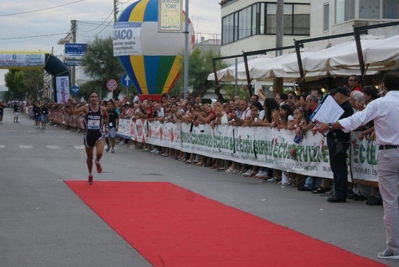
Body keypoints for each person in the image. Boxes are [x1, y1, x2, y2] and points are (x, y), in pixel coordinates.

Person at [311, 70, 399, 260]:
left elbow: (354, 121)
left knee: (391, 202)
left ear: (383, 86)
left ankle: (394, 248)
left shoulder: (380, 103)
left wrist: (329, 124)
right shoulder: (381, 102)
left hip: (389, 153)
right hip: (390, 149)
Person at [68, 92, 109, 185]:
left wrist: (106, 126)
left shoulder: (102, 109)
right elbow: (72, 112)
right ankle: (90, 174)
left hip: (99, 134)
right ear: (90, 99)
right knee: (89, 157)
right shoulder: (85, 108)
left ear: (98, 99)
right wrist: (70, 103)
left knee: (99, 152)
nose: (94, 98)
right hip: (88, 135)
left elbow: (107, 116)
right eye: (92, 97)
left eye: (95, 97)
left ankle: (97, 161)